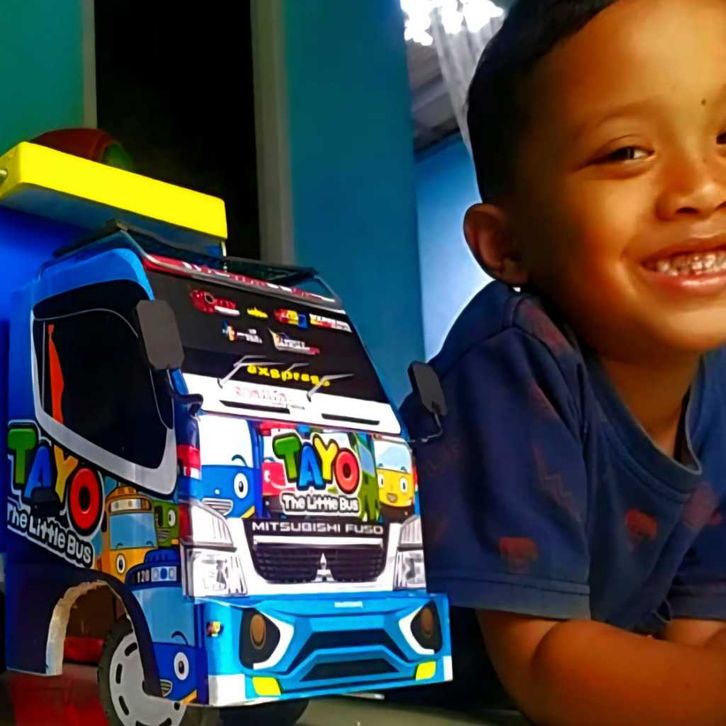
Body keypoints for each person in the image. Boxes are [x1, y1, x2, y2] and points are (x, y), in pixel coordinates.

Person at [401, 0, 726, 722]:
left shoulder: (716, 382)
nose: (703, 188)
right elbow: (542, 660)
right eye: (626, 152)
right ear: (507, 245)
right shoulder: (515, 360)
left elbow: (701, 639)